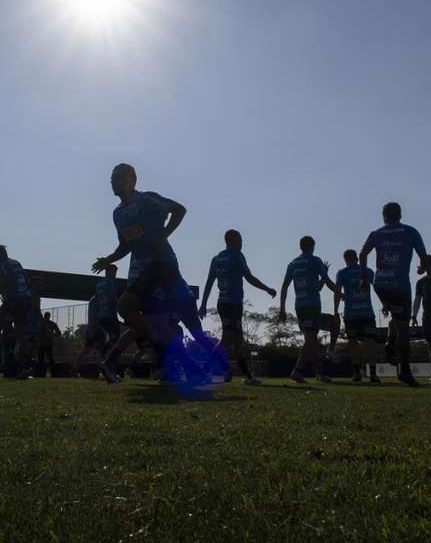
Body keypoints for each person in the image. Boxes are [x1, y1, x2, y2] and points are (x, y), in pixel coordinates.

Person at [92, 163, 183, 383]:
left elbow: (179, 210)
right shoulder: (118, 214)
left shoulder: (147, 199)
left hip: (162, 266)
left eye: (119, 177)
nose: (113, 181)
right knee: (146, 322)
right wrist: (107, 259)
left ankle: (165, 359)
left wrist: (164, 234)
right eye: (112, 178)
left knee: (127, 308)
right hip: (142, 271)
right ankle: (117, 362)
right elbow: (124, 247)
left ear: (132, 179)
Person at [359, 202, 428, 387]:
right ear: (400, 215)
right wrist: (422, 267)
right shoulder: (411, 232)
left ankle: (390, 342)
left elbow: (363, 253)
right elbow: (424, 257)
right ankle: (404, 371)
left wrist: (365, 279)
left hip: (380, 285)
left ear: (384, 216)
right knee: (404, 330)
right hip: (400, 285)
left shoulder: (376, 234)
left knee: (397, 318)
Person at [198, 229, 276, 385]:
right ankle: (203, 371)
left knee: (238, 341)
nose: (242, 243)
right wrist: (267, 288)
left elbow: (209, 282)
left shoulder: (216, 258)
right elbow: (249, 277)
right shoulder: (236, 256)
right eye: (240, 240)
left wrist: (204, 304)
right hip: (232, 304)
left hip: (223, 303)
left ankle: (246, 376)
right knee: (226, 340)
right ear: (232, 240)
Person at [279, 236, 338, 384]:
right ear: (313, 246)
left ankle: (318, 373)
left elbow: (285, 287)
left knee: (310, 341)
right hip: (312, 306)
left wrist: (282, 308)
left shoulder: (292, 264)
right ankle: (299, 371)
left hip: (300, 306)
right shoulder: (315, 260)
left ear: (301, 247)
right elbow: (329, 283)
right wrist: (341, 293)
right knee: (315, 336)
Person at [333, 249, 381, 384]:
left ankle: (356, 373)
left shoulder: (342, 273)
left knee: (353, 342)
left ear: (345, 259)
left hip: (351, 314)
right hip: (367, 313)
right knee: (370, 342)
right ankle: (373, 374)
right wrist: (385, 304)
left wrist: (335, 311)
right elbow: (377, 287)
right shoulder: (367, 270)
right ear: (357, 258)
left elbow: (337, 292)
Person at [0, 244, 35, 379]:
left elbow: (6, 282)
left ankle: (0, 361)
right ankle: (26, 365)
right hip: (24, 300)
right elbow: (27, 280)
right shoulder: (16, 263)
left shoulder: (2, 266)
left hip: (12, 301)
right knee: (20, 334)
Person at [38, 312, 62, 376]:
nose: (47, 318)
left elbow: (58, 333)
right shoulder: (41, 323)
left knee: (48, 359)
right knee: (42, 359)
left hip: (47, 343)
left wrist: (52, 335)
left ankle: (53, 373)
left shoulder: (50, 324)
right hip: (42, 343)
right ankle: (41, 373)